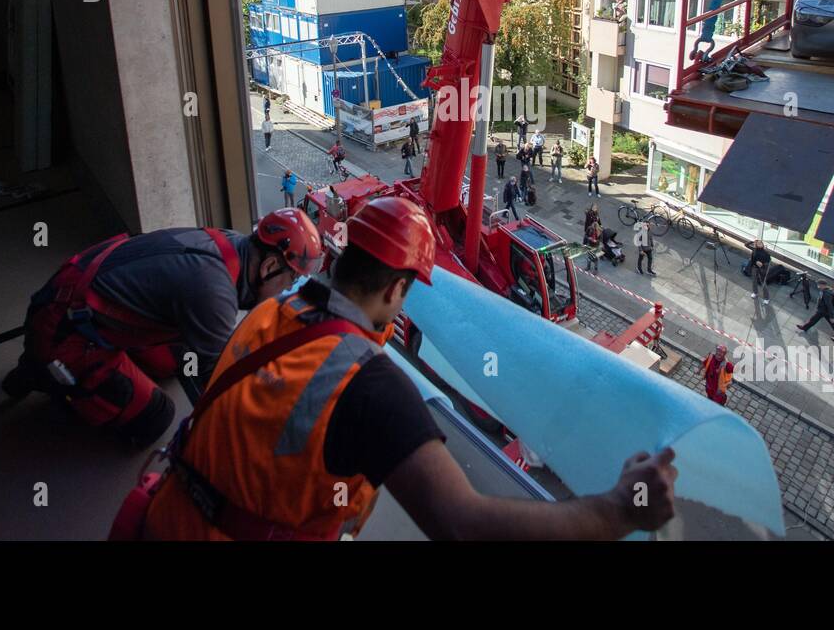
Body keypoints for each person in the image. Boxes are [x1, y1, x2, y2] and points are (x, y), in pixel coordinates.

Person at [141, 196, 677, 540]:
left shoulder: (269, 313)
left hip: (166, 516)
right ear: (398, 289)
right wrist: (618, 510)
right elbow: (463, 523)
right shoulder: (368, 385)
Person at [1, 210, 323, 445]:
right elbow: (215, 385)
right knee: (154, 418)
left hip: (71, 296)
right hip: (63, 331)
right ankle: (45, 374)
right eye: (290, 278)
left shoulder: (230, 244)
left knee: (174, 360)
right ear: (268, 266)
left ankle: (43, 363)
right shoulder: (213, 290)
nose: (286, 290)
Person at [748, 239, 772, 305]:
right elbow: (746, 244)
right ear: (756, 244)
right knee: (754, 281)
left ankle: (766, 298)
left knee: (763, 283)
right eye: (758, 243)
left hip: (762, 269)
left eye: (761, 242)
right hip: (755, 268)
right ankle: (755, 292)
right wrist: (753, 241)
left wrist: (762, 264)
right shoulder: (754, 250)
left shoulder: (766, 252)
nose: (760, 243)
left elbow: (769, 261)